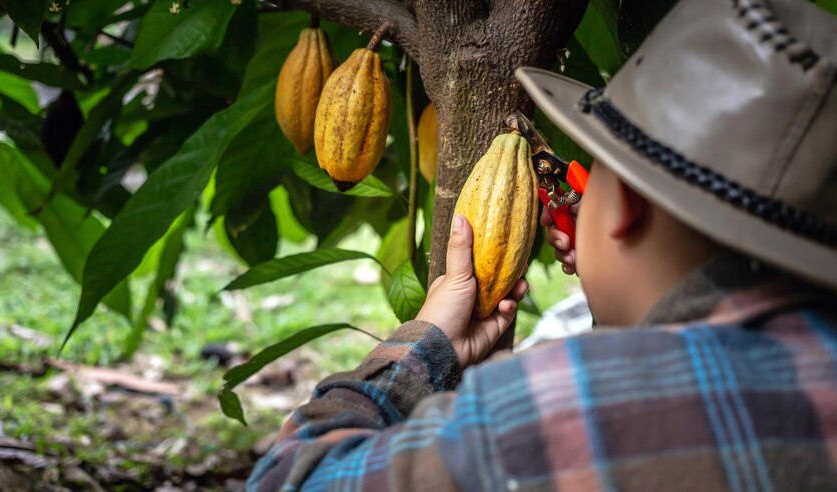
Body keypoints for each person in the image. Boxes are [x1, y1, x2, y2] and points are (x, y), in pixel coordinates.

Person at [248, 0, 837, 489]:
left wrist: (425, 346)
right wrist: (629, 295)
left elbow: (289, 477)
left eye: (592, 171)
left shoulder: (557, 405)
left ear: (625, 205)